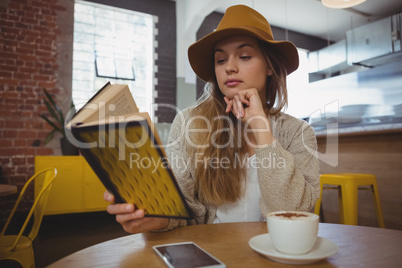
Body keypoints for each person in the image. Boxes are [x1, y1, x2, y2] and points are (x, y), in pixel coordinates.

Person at [104, 5, 320, 233]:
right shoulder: (189, 123)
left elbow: (296, 214)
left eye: (244, 56)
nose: (230, 67)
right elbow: (183, 204)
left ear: (269, 66)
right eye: (220, 60)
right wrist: (159, 217)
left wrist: (261, 130)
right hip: (208, 255)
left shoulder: (298, 132)